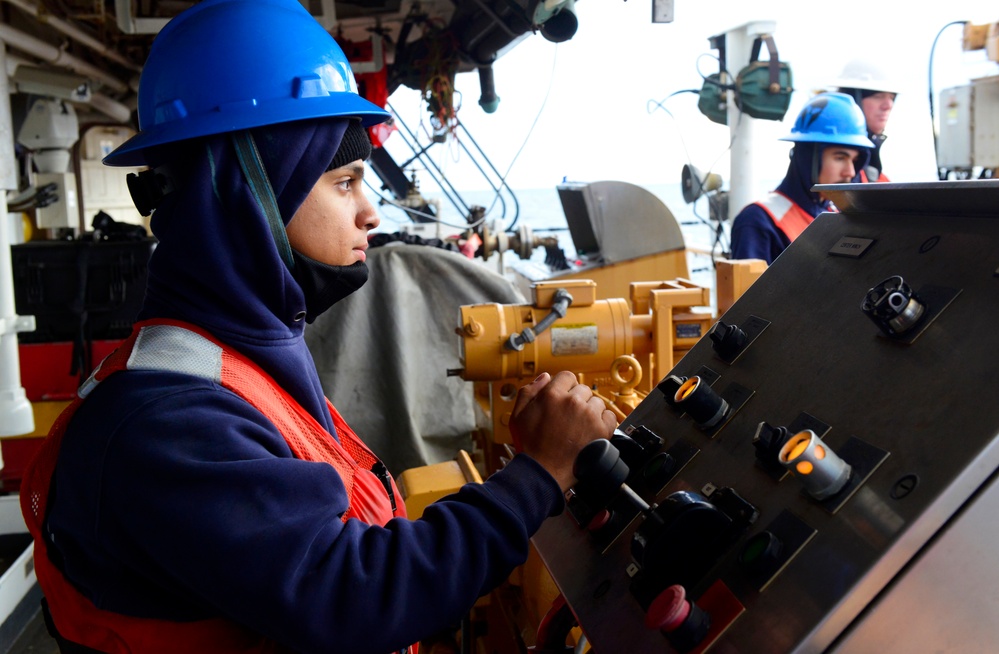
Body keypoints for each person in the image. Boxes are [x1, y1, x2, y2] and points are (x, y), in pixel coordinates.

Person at [19, 1, 616, 652]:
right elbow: (354, 595)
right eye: (344, 181)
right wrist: (540, 471)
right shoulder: (166, 423)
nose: (369, 212)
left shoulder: (229, 362)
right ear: (253, 196)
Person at [729, 92, 874, 264]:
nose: (850, 172)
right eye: (840, 158)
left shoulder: (836, 216)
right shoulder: (757, 222)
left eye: (855, 161)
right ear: (808, 158)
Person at [834, 59, 898, 182]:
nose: (888, 105)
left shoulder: (879, 179)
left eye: (892, 97)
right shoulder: (829, 173)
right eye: (877, 96)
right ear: (852, 99)